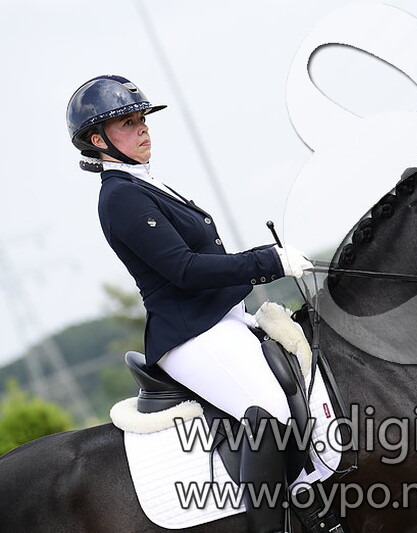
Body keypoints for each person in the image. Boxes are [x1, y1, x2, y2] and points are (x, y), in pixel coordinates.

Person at [66, 74, 309, 533]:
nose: (143, 128)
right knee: (269, 412)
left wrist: (268, 258)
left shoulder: (145, 183)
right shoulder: (120, 197)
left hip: (221, 319)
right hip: (191, 334)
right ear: (98, 141)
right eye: (127, 123)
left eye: (142, 119)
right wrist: (267, 261)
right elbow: (185, 269)